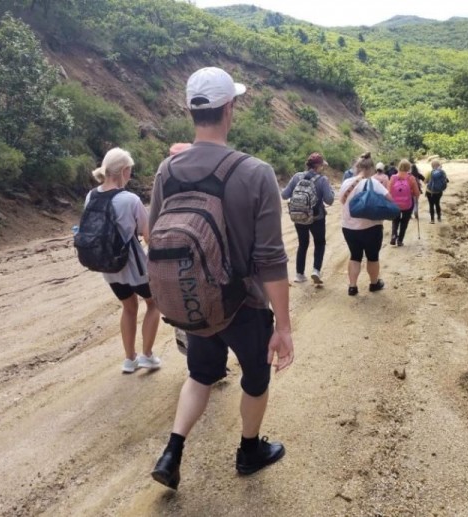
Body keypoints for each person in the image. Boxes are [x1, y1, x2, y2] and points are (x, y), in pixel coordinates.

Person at [149, 67, 294, 490]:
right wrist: (283, 327)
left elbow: (155, 233)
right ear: (230, 108)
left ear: (191, 111)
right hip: (244, 305)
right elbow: (271, 258)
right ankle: (249, 451)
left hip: (196, 301)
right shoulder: (256, 173)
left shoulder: (167, 169)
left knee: (200, 375)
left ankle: (172, 450)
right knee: (255, 377)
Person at [86, 148, 161, 373]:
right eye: (130, 171)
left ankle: (130, 359)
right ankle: (147, 355)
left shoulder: (91, 195)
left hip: (107, 266)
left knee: (128, 307)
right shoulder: (130, 200)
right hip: (133, 265)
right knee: (153, 303)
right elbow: (148, 236)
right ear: (124, 171)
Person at [339, 152, 394, 296]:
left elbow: (341, 201)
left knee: (355, 256)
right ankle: (374, 283)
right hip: (371, 227)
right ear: (372, 169)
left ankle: (352, 286)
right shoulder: (374, 183)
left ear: (357, 167)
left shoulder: (346, 183)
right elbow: (390, 199)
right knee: (372, 256)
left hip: (349, 227)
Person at [281, 152, 335, 284]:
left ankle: (299, 274)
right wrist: (330, 190)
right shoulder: (322, 180)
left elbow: (284, 195)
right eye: (322, 165)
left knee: (302, 244)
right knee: (320, 243)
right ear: (319, 166)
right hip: (317, 217)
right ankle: (316, 270)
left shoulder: (296, 177)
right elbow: (330, 200)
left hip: (299, 216)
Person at [388, 159, 421, 246]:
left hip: (395, 204)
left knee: (395, 220)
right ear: (408, 168)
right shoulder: (411, 178)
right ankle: (400, 240)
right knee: (404, 222)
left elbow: (389, 191)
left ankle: (394, 236)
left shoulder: (393, 177)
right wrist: (413, 194)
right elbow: (417, 193)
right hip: (407, 204)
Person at [424, 159, 449, 223]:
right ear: (438, 165)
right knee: (437, 204)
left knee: (431, 205)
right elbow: (446, 180)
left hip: (430, 191)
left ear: (432, 165)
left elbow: (425, 182)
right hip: (439, 192)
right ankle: (439, 218)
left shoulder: (429, 172)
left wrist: (429, 181)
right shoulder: (442, 172)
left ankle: (432, 220)